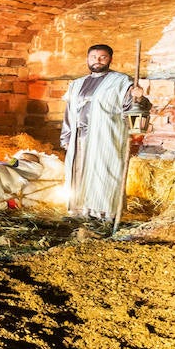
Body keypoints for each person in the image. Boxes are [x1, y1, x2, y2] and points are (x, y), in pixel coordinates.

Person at [61, 43, 147, 225]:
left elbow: (134, 107)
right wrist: (67, 137)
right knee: (79, 173)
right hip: (79, 138)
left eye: (102, 57)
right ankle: (81, 211)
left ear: (110, 59)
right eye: (93, 57)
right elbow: (69, 113)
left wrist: (138, 96)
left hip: (106, 136)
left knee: (104, 173)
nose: (97, 61)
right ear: (87, 59)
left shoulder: (121, 82)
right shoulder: (77, 84)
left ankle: (103, 214)